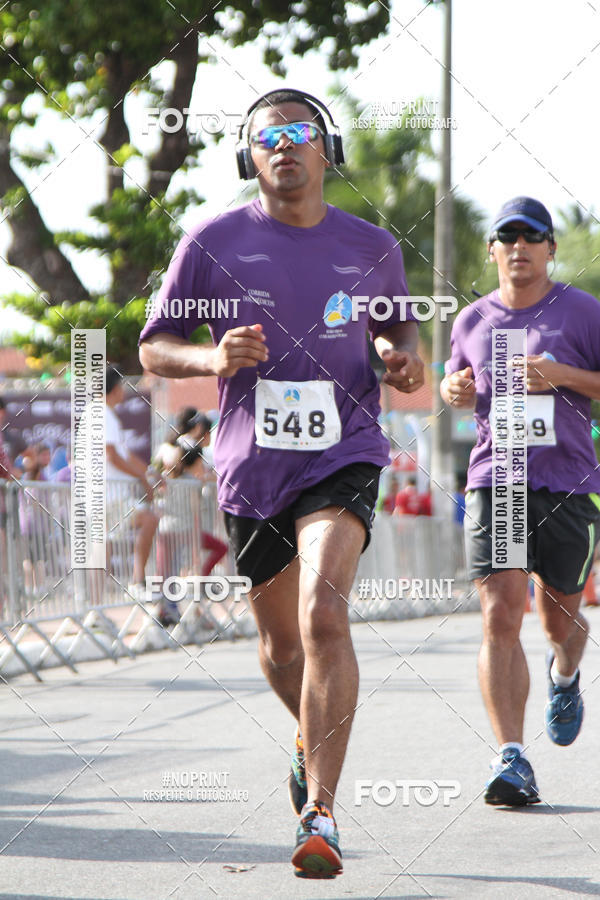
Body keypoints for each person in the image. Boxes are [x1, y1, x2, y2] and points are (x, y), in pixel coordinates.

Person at [139, 88, 424, 878]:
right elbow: (155, 347)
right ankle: (307, 734)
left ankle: (320, 813)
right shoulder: (212, 241)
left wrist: (404, 359)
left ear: (326, 149)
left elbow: (401, 330)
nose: (285, 146)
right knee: (276, 646)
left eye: (300, 133)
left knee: (324, 615)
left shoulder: (372, 247)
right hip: (251, 463)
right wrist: (209, 358)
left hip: (346, 449)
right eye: (269, 137)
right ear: (248, 158)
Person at [441, 196, 600, 807]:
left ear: (550, 248)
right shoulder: (472, 321)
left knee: (557, 618)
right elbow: (459, 386)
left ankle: (565, 674)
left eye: (531, 236)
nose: (518, 246)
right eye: (506, 236)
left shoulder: (583, 314)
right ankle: (511, 755)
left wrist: (561, 376)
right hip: (496, 480)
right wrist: (455, 388)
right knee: (500, 613)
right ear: (492, 250)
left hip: (567, 482)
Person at [104, 367, 159, 597]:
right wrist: (143, 478)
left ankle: (98, 605)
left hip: (110, 495)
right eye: (122, 388)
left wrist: (150, 474)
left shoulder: (106, 415)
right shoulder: (103, 414)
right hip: (108, 495)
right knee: (149, 519)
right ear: (115, 389)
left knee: (104, 542)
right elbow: (112, 456)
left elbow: (125, 456)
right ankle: (137, 581)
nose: (124, 393)